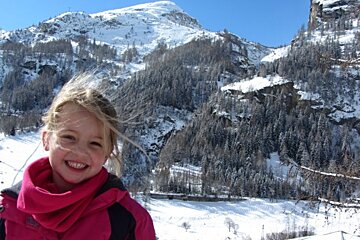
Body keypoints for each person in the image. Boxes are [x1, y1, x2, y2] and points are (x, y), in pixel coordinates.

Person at [0, 73, 156, 239]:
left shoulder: (129, 221)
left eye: (95, 143)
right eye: (69, 137)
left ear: (107, 153)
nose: (80, 152)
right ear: (46, 139)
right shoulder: (7, 211)